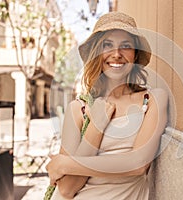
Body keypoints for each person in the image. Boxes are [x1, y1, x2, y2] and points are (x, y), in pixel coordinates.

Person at [46, 11, 168, 200]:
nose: (116, 54)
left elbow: (138, 164)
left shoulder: (152, 100)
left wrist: (64, 164)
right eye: (107, 45)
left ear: (135, 55)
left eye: (126, 46)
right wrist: (96, 126)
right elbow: (67, 189)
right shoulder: (79, 110)